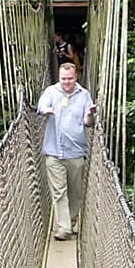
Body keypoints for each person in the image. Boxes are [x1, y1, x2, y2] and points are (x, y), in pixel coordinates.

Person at [36, 62, 97, 241]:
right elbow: (41, 106)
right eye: (63, 78)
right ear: (59, 77)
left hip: (76, 152)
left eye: (70, 78)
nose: (66, 82)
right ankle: (64, 228)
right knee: (59, 192)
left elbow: (88, 123)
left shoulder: (84, 95)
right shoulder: (51, 92)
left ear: (76, 77)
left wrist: (90, 115)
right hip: (54, 151)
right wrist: (46, 110)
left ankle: (69, 221)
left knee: (76, 192)